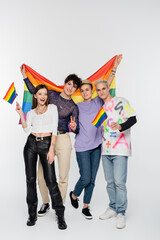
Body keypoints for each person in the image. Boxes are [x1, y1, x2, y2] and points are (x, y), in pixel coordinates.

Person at [21, 66, 81, 216]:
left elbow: (77, 128)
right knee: (41, 177)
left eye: (74, 87)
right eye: (69, 84)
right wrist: (24, 76)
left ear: (75, 90)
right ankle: (46, 202)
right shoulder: (51, 95)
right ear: (65, 83)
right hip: (47, 140)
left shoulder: (73, 106)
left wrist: (73, 127)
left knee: (62, 176)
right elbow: (34, 90)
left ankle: (59, 207)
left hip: (63, 139)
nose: (71, 88)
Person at [69, 55, 122, 219]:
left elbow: (106, 83)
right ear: (80, 92)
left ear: (92, 91)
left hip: (97, 146)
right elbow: (73, 125)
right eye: (82, 90)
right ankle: (74, 194)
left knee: (92, 179)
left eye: (88, 90)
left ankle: (86, 206)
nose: (85, 92)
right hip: (82, 147)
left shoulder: (99, 102)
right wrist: (72, 127)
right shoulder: (76, 106)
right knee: (85, 177)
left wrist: (114, 68)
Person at [16, 84, 67, 229]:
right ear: (35, 96)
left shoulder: (52, 108)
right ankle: (32, 215)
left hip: (46, 144)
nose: (43, 96)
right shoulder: (31, 112)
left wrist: (51, 149)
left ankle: (60, 215)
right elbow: (26, 129)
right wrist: (21, 114)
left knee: (51, 180)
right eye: (40, 94)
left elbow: (54, 130)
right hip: (31, 144)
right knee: (30, 180)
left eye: (45, 94)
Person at [94, 79, 137, 229]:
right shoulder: (101, 107)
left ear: (108, 88)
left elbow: (133, 119)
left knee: (119, 182)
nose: (101, 92)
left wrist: (121, 126)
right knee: (110, 182)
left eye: (103, 89)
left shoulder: (120, 101)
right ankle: (112, 208)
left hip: (120, 149)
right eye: (98, 90)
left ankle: (121, 212)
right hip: (105, 149)